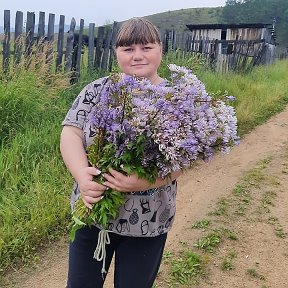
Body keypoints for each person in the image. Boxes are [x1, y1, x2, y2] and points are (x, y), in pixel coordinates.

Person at [60, 17, 182, 288]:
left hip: (148, 223)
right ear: (117, 53)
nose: (137, 56)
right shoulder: (97, 89)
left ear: (160, 49)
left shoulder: (177, 100)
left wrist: (148, 181)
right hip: (91, 213)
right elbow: (71, 133)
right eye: (128, 49)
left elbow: (184, 158)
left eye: (146, 47)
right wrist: (82, 175)